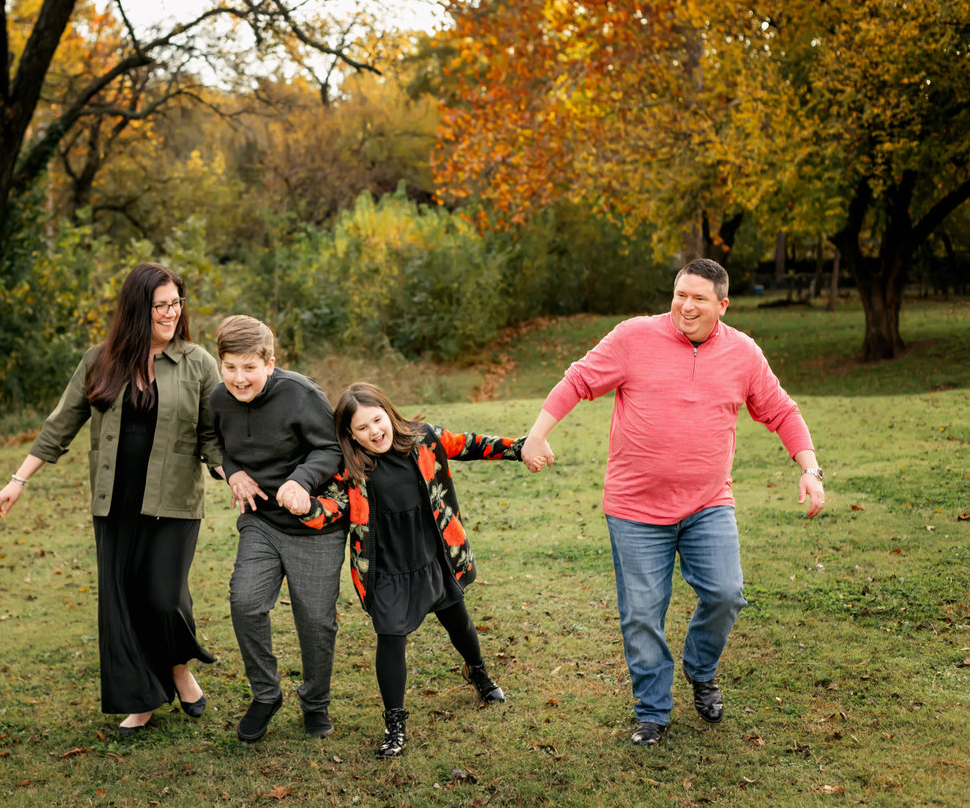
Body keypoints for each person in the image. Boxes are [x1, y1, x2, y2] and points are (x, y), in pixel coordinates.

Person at [520, 258, 826, 746]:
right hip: (635, 510)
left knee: (727, 595)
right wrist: (535, 436)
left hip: (708, 504)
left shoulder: (743, 354)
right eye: (680, 294)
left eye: (699, 298)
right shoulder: (633, 337)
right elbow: (578, 381)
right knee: (642, 614)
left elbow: (780, 410)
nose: (686, 305)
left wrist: (809, 469)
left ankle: (700, 670)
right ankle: (653, 711)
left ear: (722, 306)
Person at [0, 263, 224, 735]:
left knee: (163, 596)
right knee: (122, 601)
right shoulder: (100, 360)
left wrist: (233, 471)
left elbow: (212, 433)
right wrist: (19, 479)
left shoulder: (197, 362)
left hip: (174, 500)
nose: (171, 313)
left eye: (176, 303)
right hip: (115, 503)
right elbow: (61, 424)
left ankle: (178, 669)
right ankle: (141, 698)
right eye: (161, 305)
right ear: (138, 309)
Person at [296, 382, 539, 758]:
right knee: (390, 639)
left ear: (389, 413)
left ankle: (478, 672)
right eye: (361, 428)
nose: (374, 432)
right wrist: (301, 506)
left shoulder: (423, 440)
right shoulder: (350, 470)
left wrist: (520, 448)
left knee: (459, 622)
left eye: (378, 420)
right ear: (349, 434)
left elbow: (469, 443)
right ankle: (395, 723)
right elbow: (328, 509)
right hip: (389, 570)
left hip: (433, 556)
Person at [208, 315, 346, 742]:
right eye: (230, 367)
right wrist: (231, 472)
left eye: (250, 367)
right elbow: (210, 443)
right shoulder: (218, 399)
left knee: (316, 622)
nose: (239, 378)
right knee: (245, 601)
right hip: (261, 522)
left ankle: (316, 704)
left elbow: (332, 448)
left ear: (270, 362)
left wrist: (300, 480)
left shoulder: (302, 395)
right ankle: (266, 694)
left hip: (314, 528)